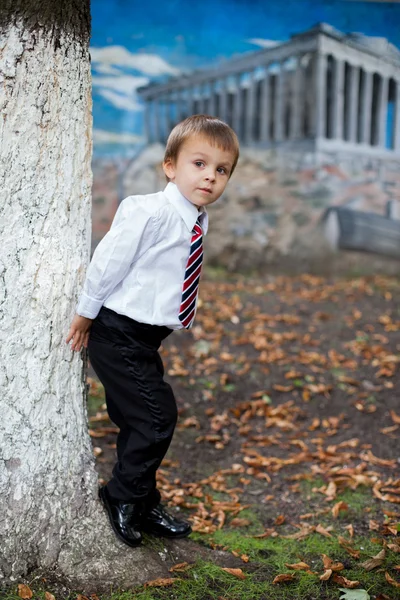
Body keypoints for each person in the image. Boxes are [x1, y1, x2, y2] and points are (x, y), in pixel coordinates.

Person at [66, 114, 240, 548]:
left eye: (221, 170)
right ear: (170, 166)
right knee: (157, 417)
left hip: (144, 338)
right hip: (117, 330)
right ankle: (120, 497)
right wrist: (86, 313)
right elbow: (109, 262)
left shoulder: (197, 218)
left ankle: (143, 499)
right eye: (199, 164)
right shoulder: (149, 210)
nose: (210, 176)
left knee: (135, 420)